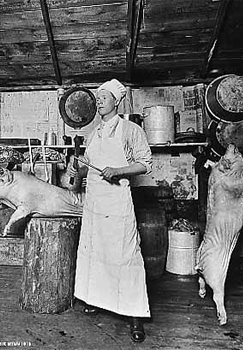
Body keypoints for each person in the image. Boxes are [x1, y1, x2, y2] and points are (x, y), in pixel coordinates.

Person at [71, 79, 152, 343]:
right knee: (96, 253)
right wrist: (78, 169)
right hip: (95, 203)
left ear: (116, 102)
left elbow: (144, 164)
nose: (99, 100)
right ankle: (97, 299)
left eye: (104, 96)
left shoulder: (131, 130)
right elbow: (89, 166)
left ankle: (135, 316)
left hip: (117, 202)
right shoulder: (94, 133)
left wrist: (118, 171)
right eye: (97, 97)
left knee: (125, 256)